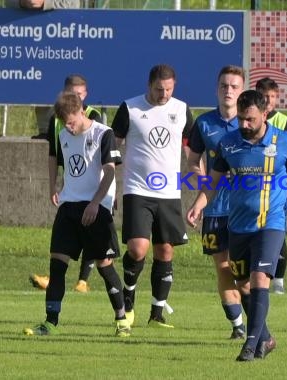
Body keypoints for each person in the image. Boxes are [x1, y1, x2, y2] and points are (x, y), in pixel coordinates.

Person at [186, 90, 287, 361]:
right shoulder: (228, 143)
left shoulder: (285, 143)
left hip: (271, 224)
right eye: (241, 119)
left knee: (260, 279)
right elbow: (213, 181)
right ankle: (266, 338)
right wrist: (199, 204)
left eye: (250, 120)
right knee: (243, 284)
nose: (244, 125)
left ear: (265, 115)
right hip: (238, 225)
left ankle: (250, 343)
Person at [23, 91, 130, 337]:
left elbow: (110, 172)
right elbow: (66, 165)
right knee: (57, 264)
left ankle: (122, 319)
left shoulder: (104, 133)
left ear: (81, 110)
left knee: (105, 267)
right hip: (69, 208)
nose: (68, 128)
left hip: (95, 208)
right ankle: (50, 323)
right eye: (64, 123)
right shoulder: (63, 135)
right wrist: (57, 188)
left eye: (71, 122)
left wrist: (96, 203)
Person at [111, 64, 193, 328]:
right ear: (149, 85)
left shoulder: (181, 110)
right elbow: (111, 149)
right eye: (159, 89)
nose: (164, 94)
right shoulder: (130, 108)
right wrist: (108, 186)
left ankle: (157, 314)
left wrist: (200, 173)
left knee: (165, 249)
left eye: (169, 89)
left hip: (169, 193)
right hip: (137, 189)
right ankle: (129, 295)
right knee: (138, 248)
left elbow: (194, 150)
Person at [186, 65, 246, 339]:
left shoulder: (250, 123)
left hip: (245, 209)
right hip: (214, 209)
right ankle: (237, 325)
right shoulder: (204, 123)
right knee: (222, 267)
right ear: (216, 89)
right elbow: (192, 160)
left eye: (234, 86)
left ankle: (255, 320)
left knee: (242, 271)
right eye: (224, 86)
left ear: (242, 91)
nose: (229, 91)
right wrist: (203, 184)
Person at [29, 74, 102, 293]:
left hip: (91, 186)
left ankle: (83, 280)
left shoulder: (93, 116)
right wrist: (53, 185)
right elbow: (53, 155)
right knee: (65, 233)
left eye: (79, 95)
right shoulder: (56, 119)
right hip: (70, 184)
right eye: (71, 94)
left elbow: (102, 158)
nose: (75, 99)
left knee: (91, 234)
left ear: (85, 95)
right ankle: (54, 277)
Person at [6, 0, 80, 140]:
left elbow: (74, 3)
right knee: (39, 80)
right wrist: (22, 3)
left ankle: (66, 128)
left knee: (61, 83)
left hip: (64, 39)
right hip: (31, 38)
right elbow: (8, 3)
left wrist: (45, 3)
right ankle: (45, 130)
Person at [255, 77, 287, 295]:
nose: (268, 101)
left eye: (272, 97)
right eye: (264, 96)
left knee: (278, 232)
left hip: (276, 187)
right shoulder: (248, 118)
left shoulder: (284, 121)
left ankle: (278, 279)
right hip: (252, 186)